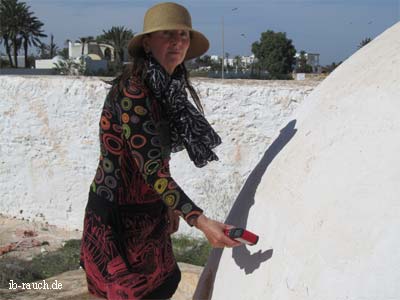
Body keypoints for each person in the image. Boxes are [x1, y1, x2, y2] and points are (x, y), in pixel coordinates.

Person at [79, 2, 241, 299]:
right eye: (168, 34)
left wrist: (167, 205)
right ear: (147, 43)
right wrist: (201, 222)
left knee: (162, 284)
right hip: (117, 219)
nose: (178, 41)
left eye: (183, 35)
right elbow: (151, 168)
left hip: (149, 213)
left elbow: (155, 158)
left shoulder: (167, 88)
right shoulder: (134, 91)